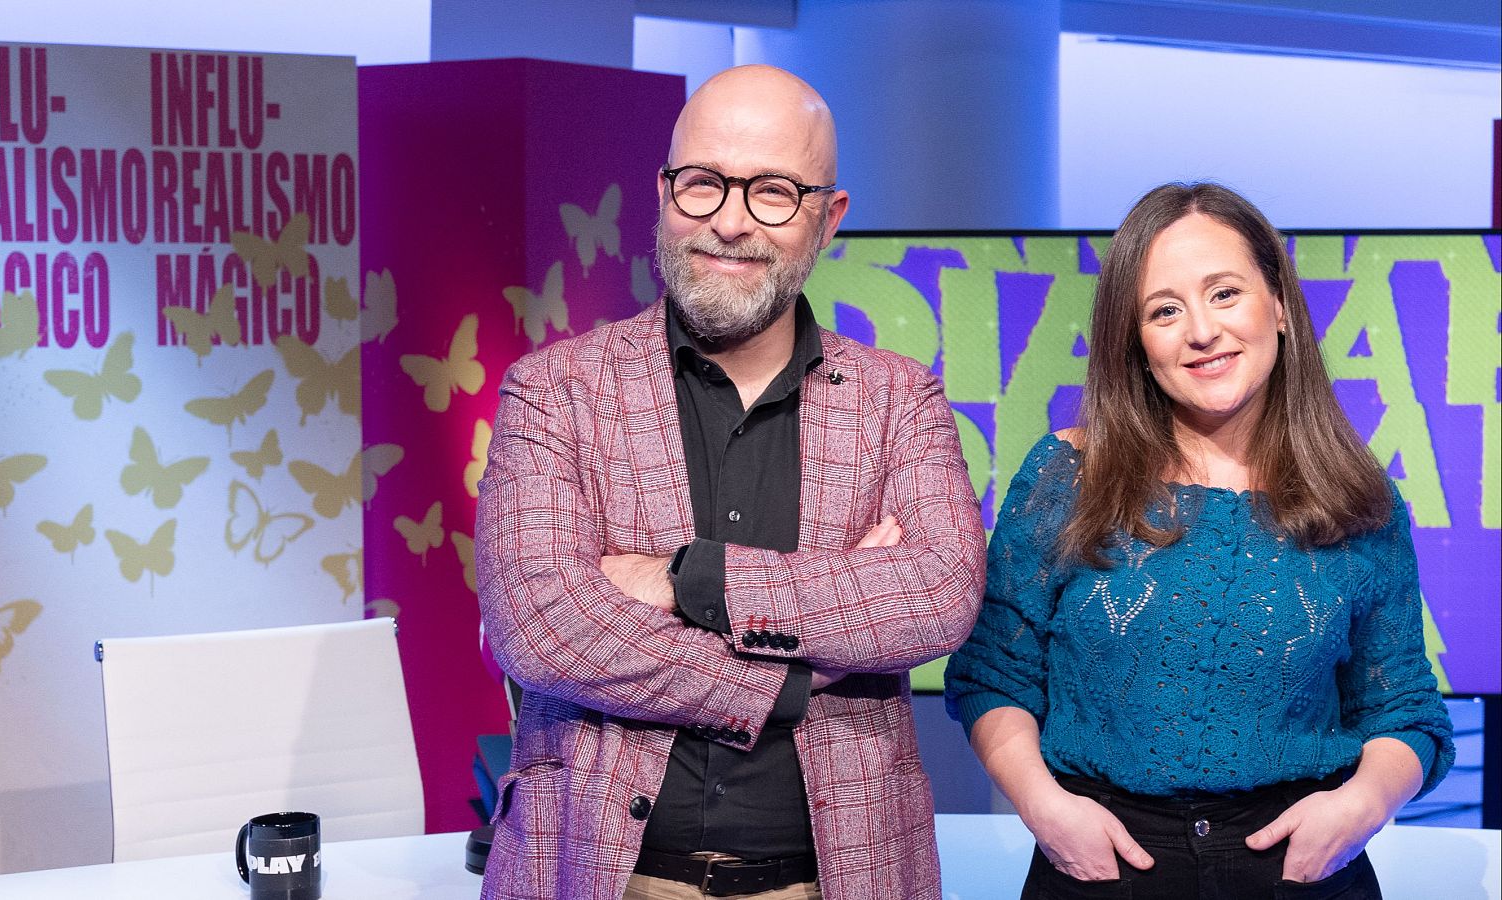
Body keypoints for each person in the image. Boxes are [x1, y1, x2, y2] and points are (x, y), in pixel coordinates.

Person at [476, 65, 986, 900]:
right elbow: (541, 625)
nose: (729, 222)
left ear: (829, 217)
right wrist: (798, 670)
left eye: (774, 192)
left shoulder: (900, 398)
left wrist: (687, 578)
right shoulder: (554, 391)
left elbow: (935, 595)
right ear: (663, 190)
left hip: (838, 881)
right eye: (704, 184)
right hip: (604, 875)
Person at [943, 182, 1454, 899]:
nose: (1201, 332)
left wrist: (1361, 808)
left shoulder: (1358, 499)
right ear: (1135, 339)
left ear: (1278, 305)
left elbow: (1404, 709)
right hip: (1102, 867)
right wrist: (1045, 808)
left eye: (1224, 294)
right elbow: (993, 676)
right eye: (1164, 310)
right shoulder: (1066, 477)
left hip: (1299, 870)